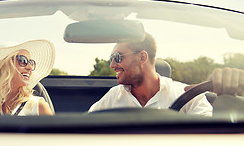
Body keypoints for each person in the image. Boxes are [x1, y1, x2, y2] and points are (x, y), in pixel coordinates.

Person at [88, 33, 244, 116]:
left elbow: (212, 140)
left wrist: (227, 100)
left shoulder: (188, 96)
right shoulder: (113, 97)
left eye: (117, 57)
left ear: (142, 57)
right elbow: (86, 129)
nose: (112, 65)